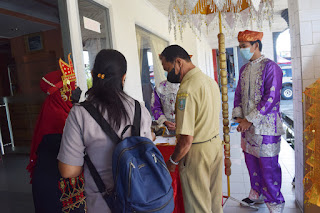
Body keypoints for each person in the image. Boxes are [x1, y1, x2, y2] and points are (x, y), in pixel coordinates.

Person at [57, 49, 153, 213]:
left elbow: (68, 170)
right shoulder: (139, 109)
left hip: (103, 204)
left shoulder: (80, 113)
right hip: (141, 200)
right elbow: (147, 144)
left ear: (93, 74)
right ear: (123, 77)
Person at [161, 45, 223, 213]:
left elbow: (186, 140)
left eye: (167, 69)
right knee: (214, 203)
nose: (168, 75)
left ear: (178, 62)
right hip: (215, 146)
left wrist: (172, 161)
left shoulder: (186, 90)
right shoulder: (209, 81)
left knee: (198, 207)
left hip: (197, 152)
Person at [233, 30, 285, 212]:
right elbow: (238, 94)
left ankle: (275, 202)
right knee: (251, 162)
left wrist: (249, 120)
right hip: (248, 128)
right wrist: (239, 117)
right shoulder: (244, 69)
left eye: (244, 46)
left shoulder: (271, 67)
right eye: (240, 47)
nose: (241, 50)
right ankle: (257, 194)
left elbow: (270, 98)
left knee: (269, 167)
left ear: (256, 45)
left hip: (267, 128)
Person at [27, 54, 86, 213]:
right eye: (71, 89)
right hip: (55, 187)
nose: (74, 92)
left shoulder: (64, 111)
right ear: (62, 93)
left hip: (65, 183)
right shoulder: (58, 116)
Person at [151, 56, 180, 135]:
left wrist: (181, 125)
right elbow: (155, 107)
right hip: (166, 127)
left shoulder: (187, 87)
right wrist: (164, 121)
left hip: (186, 128)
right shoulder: (159, 88)